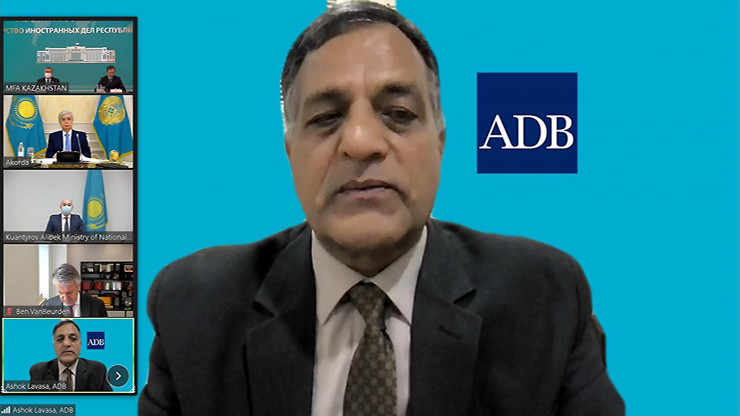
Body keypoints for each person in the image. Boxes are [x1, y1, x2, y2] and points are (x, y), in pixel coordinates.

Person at [140, 2, 624, 415]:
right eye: (326, 118)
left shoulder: (546, 299)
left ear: (440, 142)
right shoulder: (194, 310)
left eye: (398, 114)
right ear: (290, 152)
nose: (360, 141)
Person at [28, 320, 112, 392]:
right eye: (60, 339)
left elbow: (109, 403)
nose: (66, 344)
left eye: (73, 339)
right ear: (54, 345)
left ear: (80, 344)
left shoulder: (97, 370)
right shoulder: (38, 372)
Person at [41, 263, 106, 317]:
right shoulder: (47, 306)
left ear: (78, 286)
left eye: (69, 293)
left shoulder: (97, 305)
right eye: (60, 292)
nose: (65, 298)